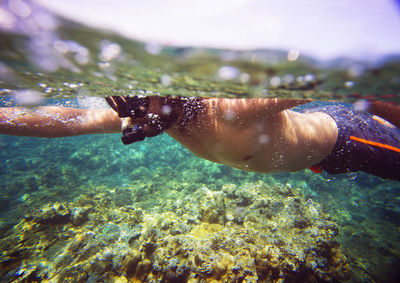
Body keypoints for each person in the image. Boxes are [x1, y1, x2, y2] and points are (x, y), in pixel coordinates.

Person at [0, 95, 399, 181]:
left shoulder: (230, 108)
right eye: (123, 103)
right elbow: (71, 119)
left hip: (349, 138)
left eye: (138, 101)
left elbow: (325, 78)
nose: (131, 115)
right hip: (317, 160)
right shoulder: (151, 115)